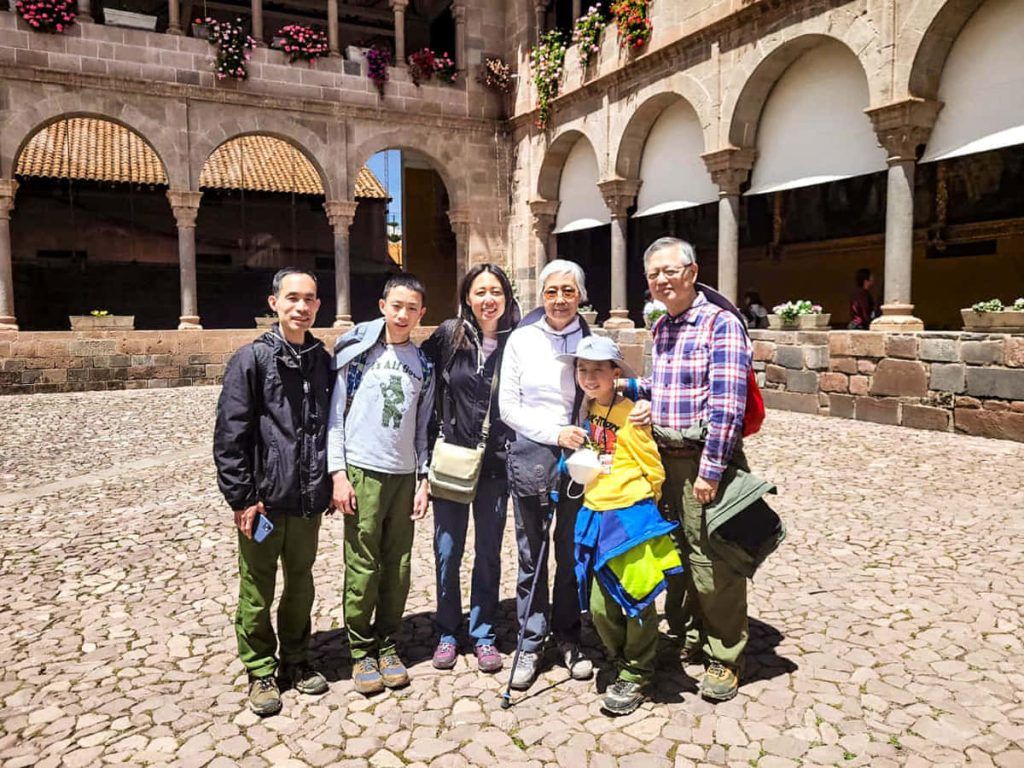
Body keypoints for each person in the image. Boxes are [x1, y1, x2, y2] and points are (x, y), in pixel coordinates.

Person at [626, 236, 753, 703]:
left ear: (693, 272)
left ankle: (725, 655)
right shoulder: (662, 328)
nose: (662, 280)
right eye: (654, 274)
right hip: (665, 462)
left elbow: (727, 404)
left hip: (703, 462)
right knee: (677, 555)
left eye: (670, 271)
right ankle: (692, 636)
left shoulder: (720, 325)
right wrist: (634, 395)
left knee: (714, 562)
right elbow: (663, 386)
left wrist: (712, 471)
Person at [213, 267, 333, 716]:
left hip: (306, 500)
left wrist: (325, 482)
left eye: (309, 299)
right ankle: (260, 667)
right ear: (274, 304)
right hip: (263, 503)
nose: (301, 307)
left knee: (300, 583)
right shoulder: (251, 360)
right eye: (292, 299)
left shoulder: (321, 360)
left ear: (318, 305)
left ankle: (297, 659)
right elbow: (231, 434)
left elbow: (326, 428)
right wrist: (242, 497)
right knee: (258, 586)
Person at [327, 274, 434, 696]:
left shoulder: (423, 365)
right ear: (382, 306)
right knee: (362, 564)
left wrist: (423, 478)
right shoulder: (358, 356)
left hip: (404, 475)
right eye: (396, 305)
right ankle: (360, 648)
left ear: (422, 313)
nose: (403, 314)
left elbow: (423, 427)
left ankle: (387, 641)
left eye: (412, 307)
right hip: (363, 472)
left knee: (398, 565)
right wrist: (338, 474)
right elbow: (336, 418)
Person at [562, 336, 678, 716]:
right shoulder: (587, 409)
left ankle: (638, 669)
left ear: (616, 374)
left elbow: (652, 465)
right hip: (595, 513)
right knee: (599, 604)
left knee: (638, 596)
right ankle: (620, 655)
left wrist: (646, 507)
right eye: (583, 369)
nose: (589, 376)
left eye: (598, 369)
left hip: (630, 515)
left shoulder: (632, 414)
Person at [419, 264, 521, 674]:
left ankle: (482, 633)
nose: (488, 299)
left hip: (496, 466)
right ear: (467, 297)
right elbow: (415, 374)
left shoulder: (519, 343)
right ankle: (447, 630)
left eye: (495, 291)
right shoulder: (449, 336)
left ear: (507, 297)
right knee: (447, 551)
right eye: (480, 292)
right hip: (452, 462)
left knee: (488, 554)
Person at [499, 259, 595, 691]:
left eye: (568, 291)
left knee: (573, 553)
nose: (559, 299)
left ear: (581, 295)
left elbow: (609, 388)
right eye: (551, 291)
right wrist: (555, 432)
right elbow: (509, 408)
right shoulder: (521, 339)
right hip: (532, 453)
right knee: (531, 553)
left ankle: (570, 637)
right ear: (541, 296)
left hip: (578, 459)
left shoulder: (591, 340)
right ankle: (531, 642)